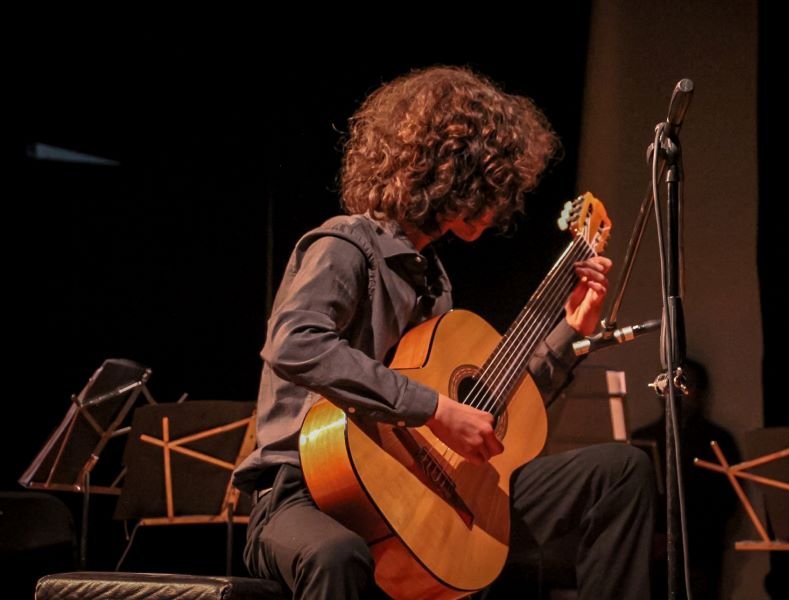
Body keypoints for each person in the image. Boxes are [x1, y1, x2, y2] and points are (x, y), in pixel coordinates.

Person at [233, 65, 655, 600]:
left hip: (421, 486)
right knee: (338, 554)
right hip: (306, 493)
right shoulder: (344, 246)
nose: (501, 205)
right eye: (493, 182)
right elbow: (295, 343)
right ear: (450, 171)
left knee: (619, 471)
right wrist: (434, 409)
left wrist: (571, 329)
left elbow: (494, 407)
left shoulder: (435, 284)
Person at [631, 359, 740, 599]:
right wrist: (653, 536)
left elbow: (726, 503)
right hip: (652, 555)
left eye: (684, 385)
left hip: (700, 553)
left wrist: (679, 539)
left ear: (700, 392)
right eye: (666, 385)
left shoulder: (718, 440)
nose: (674, 393)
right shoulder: (643, 438)